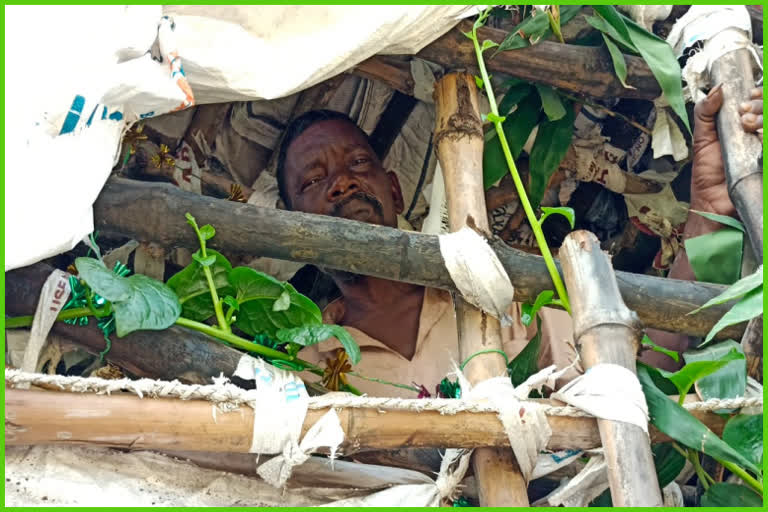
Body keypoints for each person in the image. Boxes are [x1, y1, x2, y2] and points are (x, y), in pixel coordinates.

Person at [277, 85, 762, 396]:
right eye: (313, 181)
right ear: (293, 227)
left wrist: (708, 213)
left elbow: (642, 374)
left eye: (358, 164)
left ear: (397, 190)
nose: (341, 183)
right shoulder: (306, 366)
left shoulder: (502, 298)